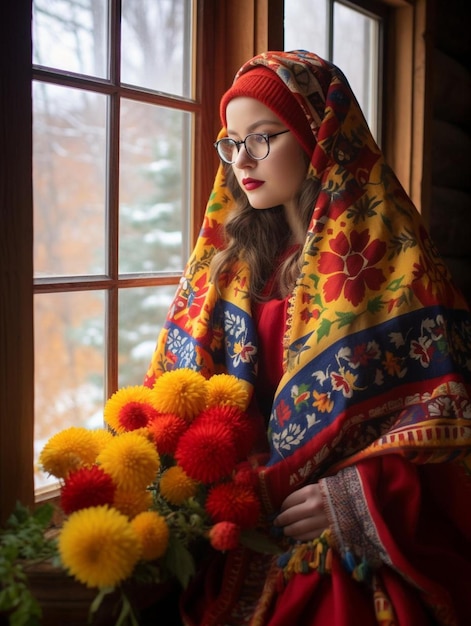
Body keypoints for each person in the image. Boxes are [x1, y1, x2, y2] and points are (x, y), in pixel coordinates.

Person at [143, 50, 471, 626]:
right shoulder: (229, 269)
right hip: (236, 526)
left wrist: (354, 502)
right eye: (231, 142)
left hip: (342, 541)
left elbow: (450, 420)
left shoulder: (390, 264)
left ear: (319, 138)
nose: (242, 160)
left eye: (264, 137)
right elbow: (180, 387)